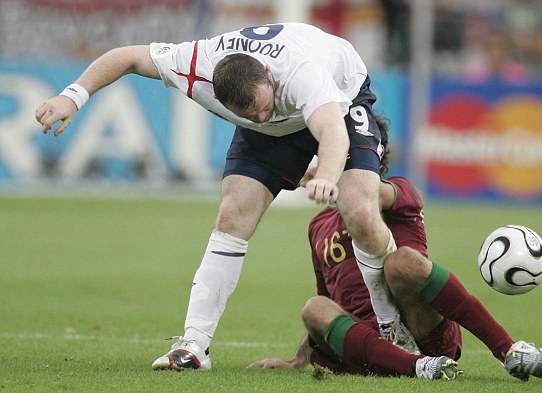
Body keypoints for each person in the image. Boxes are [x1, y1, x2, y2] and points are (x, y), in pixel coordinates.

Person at [34, 23, 408, 370]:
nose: (261, 117)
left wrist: (326, 175)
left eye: (264, 105)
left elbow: (331, 132)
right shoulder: (193, 64)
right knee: (231, 215)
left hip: (341, 99)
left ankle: (393, 328)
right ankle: (194, 345)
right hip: (281, 130)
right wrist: (74, 96)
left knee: (359, 209)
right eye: (249, 113)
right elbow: (128, 56)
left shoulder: (300, 73)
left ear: (267, 75)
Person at [249, 117, 542, 381]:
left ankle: (508, 350)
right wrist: (297, 359)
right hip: (366, 347)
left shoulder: (398, 191)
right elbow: (330, 301)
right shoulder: (317, 226)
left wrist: (323, 175)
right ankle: (414, 366)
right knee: (314, 307)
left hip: (422, 329)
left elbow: (367, 196)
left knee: (401, 263)